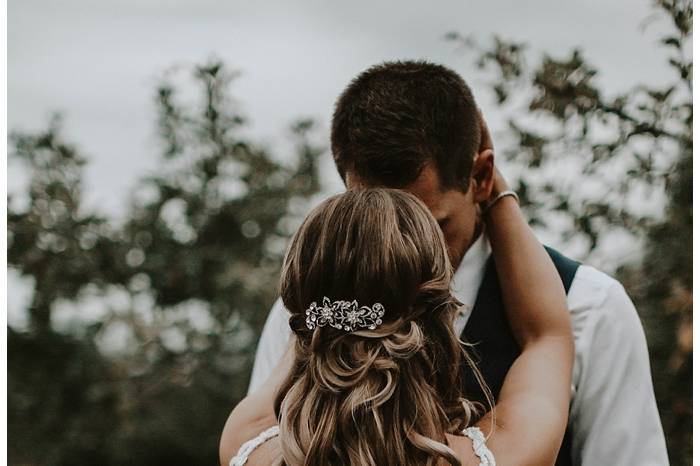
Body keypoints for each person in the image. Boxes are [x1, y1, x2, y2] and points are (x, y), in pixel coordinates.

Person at [247, 61, 668, 465]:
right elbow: (547, 339)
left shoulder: (592, 307)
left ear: (479, 177)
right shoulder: (514, 427)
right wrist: (502, 198)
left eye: (432, 225)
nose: (412, 254)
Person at [221, 186, 574, 465]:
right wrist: (495, 190)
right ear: (438, 318)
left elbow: (311, 330)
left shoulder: (245, 445)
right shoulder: (501, 456)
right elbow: (546, 336)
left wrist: (328, 300)